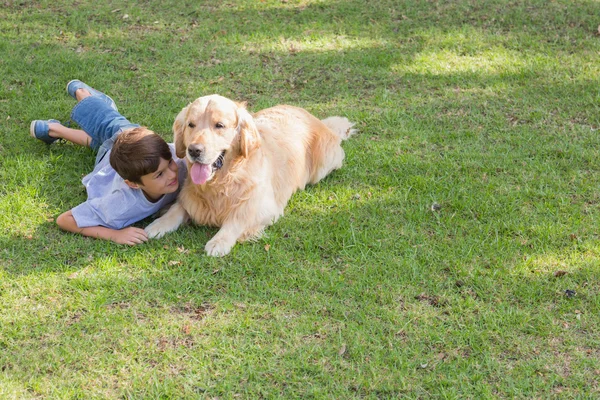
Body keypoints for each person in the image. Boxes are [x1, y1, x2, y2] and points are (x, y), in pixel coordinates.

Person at [30, 80, 187, 245]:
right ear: (133, 184)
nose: (172, 173)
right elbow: (64, 219)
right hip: (123, 142)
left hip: (109, 157)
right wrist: (115, 235)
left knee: (101, 144)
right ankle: (83, 95)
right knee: (112, 124)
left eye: (169, 163)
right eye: (160, 174)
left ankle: (56, 129)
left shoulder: (177, 161)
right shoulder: (120, 204)